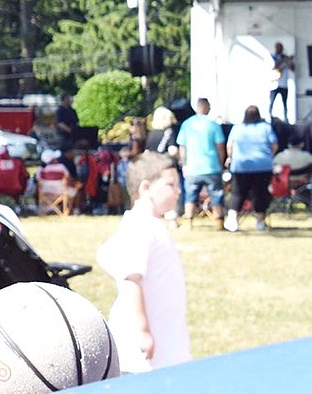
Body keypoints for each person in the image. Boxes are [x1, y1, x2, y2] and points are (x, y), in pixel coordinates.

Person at [96, 151, 190, 374]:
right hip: (143, 349)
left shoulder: (151, 225)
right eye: (171, 185)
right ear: (146, 188)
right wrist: (143, 332)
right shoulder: (139, 227)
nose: (178, 191)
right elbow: (131, 281)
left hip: (165, 334)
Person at [175, 98, 228, 228]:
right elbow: (220, 147)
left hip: (193, 167)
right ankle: (218, 222)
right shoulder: (214, 125)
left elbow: (182, 146)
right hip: (211, 166)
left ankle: (188, 221)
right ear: (207, 107)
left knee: (190, 195)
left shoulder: (187, 125)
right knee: (216, 194)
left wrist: (184, 163)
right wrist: (220, 164)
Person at [225, 105, 279, 232]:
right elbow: (275, 145)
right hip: (262, 165)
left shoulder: (237, 128)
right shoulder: (265, 127)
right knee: (260, 194)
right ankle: (260, 222)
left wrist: (230, 157)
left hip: (241, 166)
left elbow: (230, 145)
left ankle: (232, 221)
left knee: (238, 192)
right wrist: (268, 156)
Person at [270, 42, 295, 121]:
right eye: (277, 48)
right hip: (274, 84)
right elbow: (275, 66)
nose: (279, 49)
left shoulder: (285, 58)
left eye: (280, 48)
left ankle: (286, 118)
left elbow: (292, 68)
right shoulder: (272, 57)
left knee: (285, 103)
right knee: (271, 102)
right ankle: (270, 117)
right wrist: (284, 60)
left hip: (284, 85)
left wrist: (289, 60)